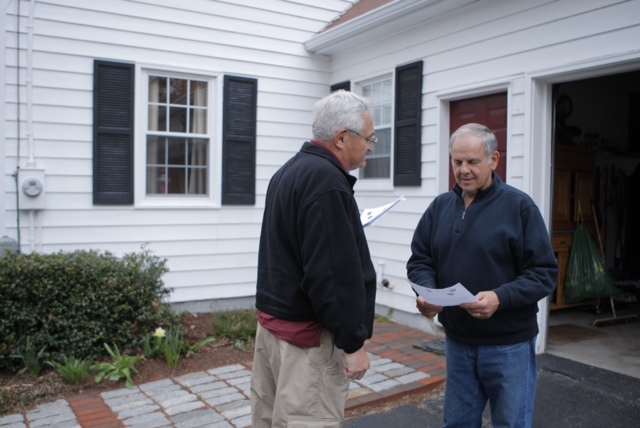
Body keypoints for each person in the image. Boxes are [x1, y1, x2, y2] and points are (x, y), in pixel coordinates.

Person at [407, 123, 558, 428]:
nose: (463, 170)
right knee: (458, 423)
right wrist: (426, 293)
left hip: (509, 346)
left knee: (511, 423)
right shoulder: (439, 208)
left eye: (472, 162)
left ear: (494, 160)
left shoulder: (519, 207)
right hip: (458, 343)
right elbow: (420, 260)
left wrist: (500, 297)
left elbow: (544, 273)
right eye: (457, 162)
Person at [251, 90, 378, 428]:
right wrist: (353, 344)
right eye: (368, 138)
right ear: (341, 137)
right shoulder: (327, 183)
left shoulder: (289, 171)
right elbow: (332, 276)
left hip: (274, 330)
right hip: (306, 342)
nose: (370, 146)